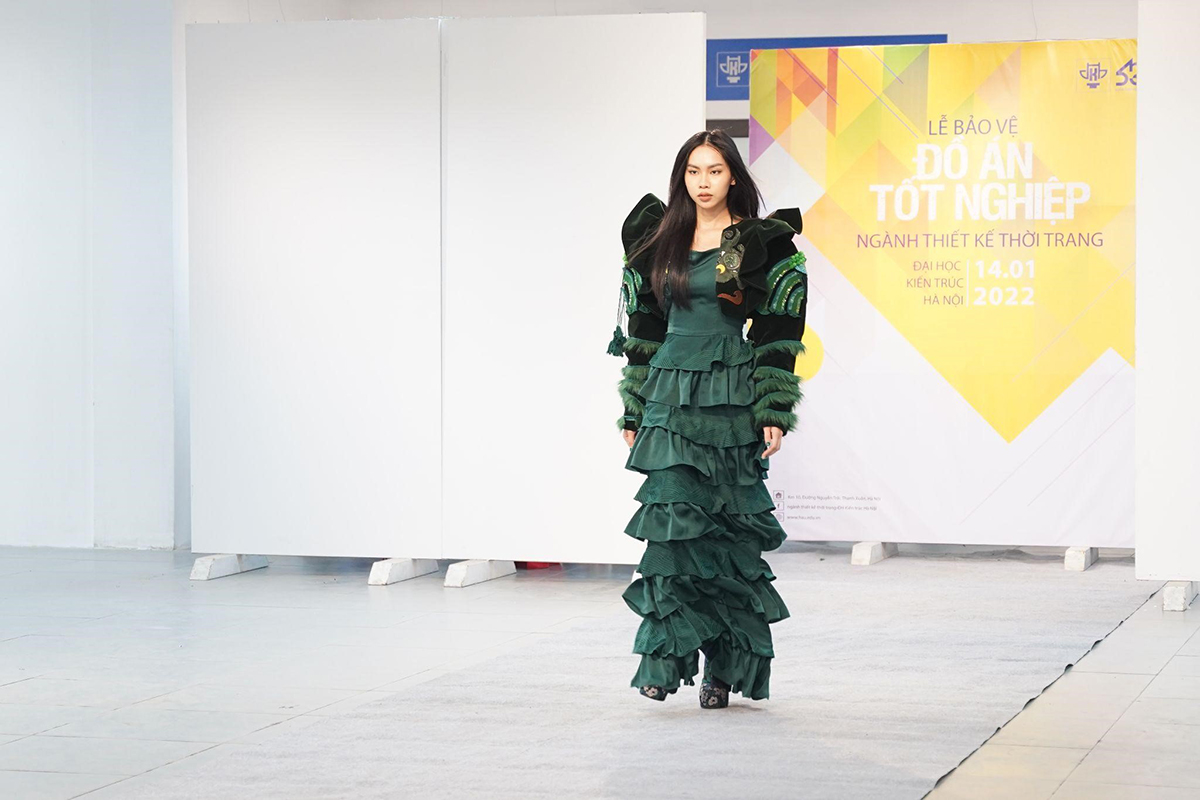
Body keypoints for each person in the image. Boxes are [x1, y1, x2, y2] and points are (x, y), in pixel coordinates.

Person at [607, 129, 807, 708]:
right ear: (682, 178)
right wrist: (634, 406)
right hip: (670, 395)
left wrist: (773, 409)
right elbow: (643, 329)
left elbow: (779, 331)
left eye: (714, 170)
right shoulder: (656, 240)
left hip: (730, 394)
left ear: (733, 176)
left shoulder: (762, 243)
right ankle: (665, 658)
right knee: (672, 525)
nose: (703, 182)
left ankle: (724, 671)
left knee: (726, 534)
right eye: (693, 171)